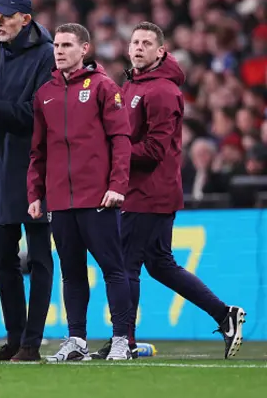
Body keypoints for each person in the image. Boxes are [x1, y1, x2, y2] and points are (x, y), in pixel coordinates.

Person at [90, 22, 245, 360]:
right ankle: (224, 314)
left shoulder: (161, 91)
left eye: (147, 43)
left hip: (149, 192)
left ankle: (124, 342)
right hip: (143, 190)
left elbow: (155, 150)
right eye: (135, 42)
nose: (139, 47)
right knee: (159, 264)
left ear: (160, 52)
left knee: (127, 264)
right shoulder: (132, 85)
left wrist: (113, 153)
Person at [27, 23, 133, 361]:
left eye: (67, 45)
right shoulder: (44, 93)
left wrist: (117, 186)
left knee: (112, 269)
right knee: (71, 273)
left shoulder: (104, 87)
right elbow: (38, 151)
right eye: (56, 45)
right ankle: (76, 339)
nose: (58, 51)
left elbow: (121, 140)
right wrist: (35, 193)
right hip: (60, 199)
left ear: (84, 49)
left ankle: (120, 340)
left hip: (98, 197)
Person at [0, 0, 55, 362]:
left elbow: (38, 114)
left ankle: (32, 343)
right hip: (2, 165)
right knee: (4, 256)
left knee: (38, 258)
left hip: (38, 166)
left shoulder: (47, 56)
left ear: (26, 19)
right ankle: (15, 339)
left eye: (6, 15)